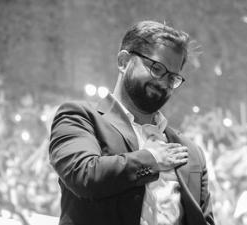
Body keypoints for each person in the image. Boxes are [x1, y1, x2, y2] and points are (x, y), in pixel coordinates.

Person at [49, 20, 215, 225]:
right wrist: (151, 159)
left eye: (172, 78)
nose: (163, 83)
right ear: (124, 61)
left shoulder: (191, 153)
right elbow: (83, 175)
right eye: (156, 68)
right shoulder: (81, 117)